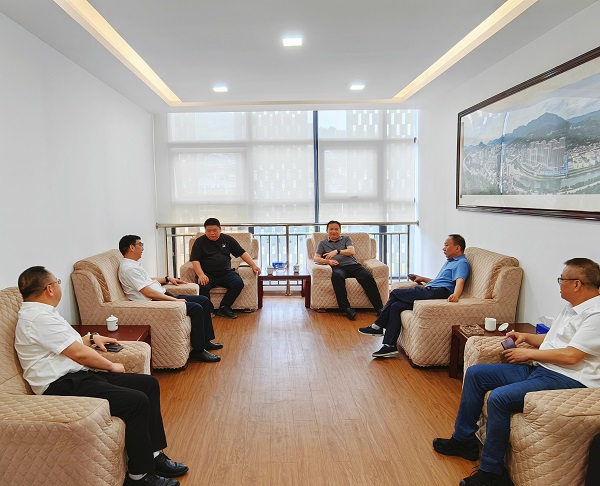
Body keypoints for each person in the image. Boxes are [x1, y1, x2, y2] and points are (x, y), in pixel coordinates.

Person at [15, 266, 188, 486]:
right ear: (49, 289)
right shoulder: (38, 318)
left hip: (77, 377)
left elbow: (68, 344)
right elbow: (78, 354)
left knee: (148, 384)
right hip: (60, 385)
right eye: (57, 282)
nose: (59, 286)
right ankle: (139, 476)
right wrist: (110, 365)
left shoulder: (42, 313)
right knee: (136, 402)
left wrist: (92, 337)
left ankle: (153, 455)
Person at [433, 258, 600, 486]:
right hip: (544, 369)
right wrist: (525, 337)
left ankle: (492, 473)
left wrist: (528, 354)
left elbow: (572, 355)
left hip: (568, 378)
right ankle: (463, 440)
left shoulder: (595, 315)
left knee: (500, 398)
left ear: (577, 284)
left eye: (562, 279)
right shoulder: (572, 308)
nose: (559, 284)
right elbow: (554, 340)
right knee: (476, 374)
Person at [359, 234, 470, 358]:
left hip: (438, 293)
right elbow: (441, 281)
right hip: (433, 289)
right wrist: (422, 278)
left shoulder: (462, 263)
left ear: (457, 248)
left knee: (395, 293)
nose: (443, 248)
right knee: (396, 306)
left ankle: (377, 326)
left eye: (447, 245)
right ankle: (389, 345)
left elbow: (460, 281)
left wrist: (455, 295)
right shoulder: (450, 262)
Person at [118, 235, 221, 363]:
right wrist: (174, 301)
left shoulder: (133, 265)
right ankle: (198, 351)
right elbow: (148, 292)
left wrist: (167, 279)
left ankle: (206, 341)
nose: (143, 248)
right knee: (196, 308)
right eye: (140, 244)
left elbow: (148, 281)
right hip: (155, 302)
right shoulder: (129, 269)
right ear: (132, 247)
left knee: (203, 300)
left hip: (162, 295)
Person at [189, 218, 261, 319]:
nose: (212, 233)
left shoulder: (227, 239)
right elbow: (195, 260)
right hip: (207, 274)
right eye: (208, 231)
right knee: (202, 285)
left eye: (215, 230)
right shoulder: (199, 242)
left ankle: (224, 307)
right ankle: (208, 309)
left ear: (220, 229)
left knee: (238, 283)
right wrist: (201, 275)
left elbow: (241, 252)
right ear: (205, 231)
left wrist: (253, 265)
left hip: (226, 273)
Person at [314, 220, 383, 320]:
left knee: (367, 276)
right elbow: (316, 258)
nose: (334, 231)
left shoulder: (346, 239)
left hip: (353, 266)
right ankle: (346, 309)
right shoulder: (322, 243)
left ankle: (379, 308)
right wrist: (328, 261)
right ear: (327, 231)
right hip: (338, 268)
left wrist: (337, 251)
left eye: (336, 229)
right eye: (331, 229)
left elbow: (351, 251)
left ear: (340, 231)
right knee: (336, 277)